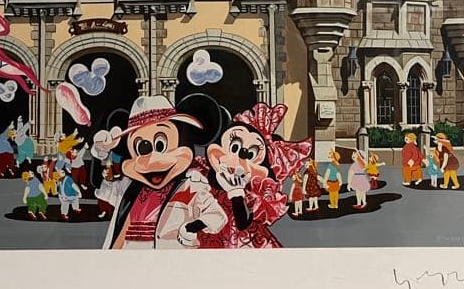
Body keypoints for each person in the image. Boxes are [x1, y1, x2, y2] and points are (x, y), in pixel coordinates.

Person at [96, 95, 227, 249]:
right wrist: (103, 153)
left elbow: (217, 216)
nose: (152, 160)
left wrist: (191, 227)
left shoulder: (191, 186)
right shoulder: (129, 188)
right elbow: (106, 190)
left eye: (160, 145)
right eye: (142, 148)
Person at [195, 102, 312, 248]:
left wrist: (236, 193)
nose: (240, 157)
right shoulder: (202, 175)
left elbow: (243, 223)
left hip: (241, 242)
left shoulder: (253, 194)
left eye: (250, 155)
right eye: (234, 147)